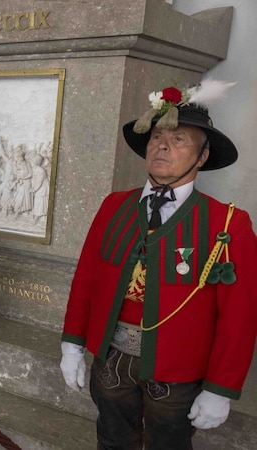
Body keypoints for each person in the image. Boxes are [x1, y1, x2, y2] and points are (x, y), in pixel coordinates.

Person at [60, 80, 257, 449]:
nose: (162, 145)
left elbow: (240, 316)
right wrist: (72, 346)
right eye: (156, 137)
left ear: (202, 157)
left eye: (179, 139)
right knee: (113, 441)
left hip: (179, 376)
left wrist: (221, 389)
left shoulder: (228, 224)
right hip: (112, 364)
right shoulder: (113, 206)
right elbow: (87, 279)